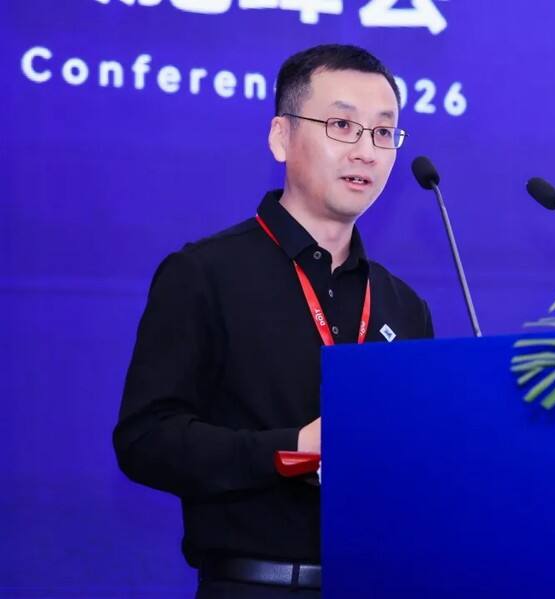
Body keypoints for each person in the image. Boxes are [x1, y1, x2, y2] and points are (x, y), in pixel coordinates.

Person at [113, 44, 434, 598]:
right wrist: (291, 450)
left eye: (383, 133)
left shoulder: (404, 306)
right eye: (342, 125)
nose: (366, 151)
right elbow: (146, 440)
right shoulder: (205, 274)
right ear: (281, 137)